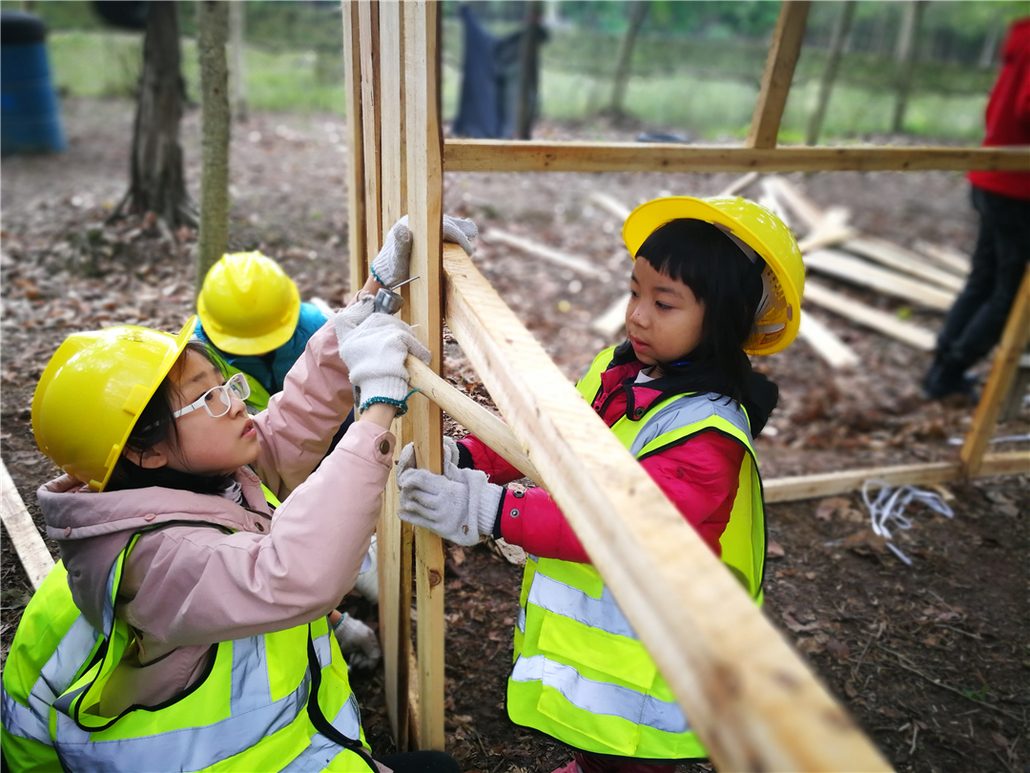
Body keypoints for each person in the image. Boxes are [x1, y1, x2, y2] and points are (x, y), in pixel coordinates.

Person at [395, 197, 805, 772]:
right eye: (635, 291)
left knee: (634, 755)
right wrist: (468, 456)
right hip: (612, 642)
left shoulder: (706, 438)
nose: (637, 315)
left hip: (657, 665)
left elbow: (625, 527)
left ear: (725, 322)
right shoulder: (621, 375)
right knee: (600, 745)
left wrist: (491, 511)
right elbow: (545, 440)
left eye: (664, 303)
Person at [1, 272, 461, 770]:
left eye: (226, 386)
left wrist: (358, 314)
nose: (238, 401)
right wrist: (375, 413)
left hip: (298, 740)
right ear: (147, 451)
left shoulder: (198, 482)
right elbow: (297, 574)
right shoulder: (157, 562)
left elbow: (289, 426)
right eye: (210, 399)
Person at [922, 16, 1030, 401]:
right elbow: (1026, 107)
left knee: (983, 280)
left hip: (994, 175)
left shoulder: (1024, 36)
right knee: (1009, 292)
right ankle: (949, 372)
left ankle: (942, 366)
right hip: (1018, 186)